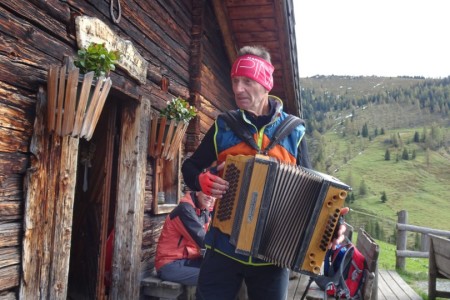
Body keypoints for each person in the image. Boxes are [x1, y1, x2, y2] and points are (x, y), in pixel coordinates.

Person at [182, 45, 348, 300]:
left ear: (266, 82)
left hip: (272, 257)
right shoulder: (224, 126)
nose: (238, 89)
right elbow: (189, 168)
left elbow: (313, 192)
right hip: (223, 249)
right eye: (235, 81)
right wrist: (200, 180)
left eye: (247, 81)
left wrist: (333, 224)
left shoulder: (294, 131)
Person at [154, 191, 215, 286]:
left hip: (188, 260)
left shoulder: (203, 211)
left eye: (213, 195)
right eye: (207, 191)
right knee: (215, 277)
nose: (210, 196)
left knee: (224, 271)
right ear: (198, 191)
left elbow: (210, 236)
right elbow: (203, 241)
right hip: (169, 265)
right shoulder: (184, 210)